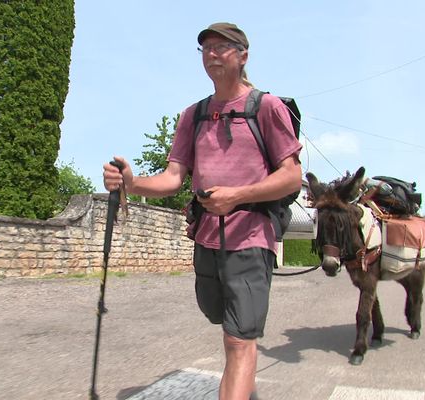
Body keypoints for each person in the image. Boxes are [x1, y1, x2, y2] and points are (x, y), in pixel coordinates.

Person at [103, 22, 302, 400]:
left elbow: (292, 176)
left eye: (221, 47)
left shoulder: (266, 107)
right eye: (206, 48)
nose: (211, 53)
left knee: (239, 341)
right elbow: (173, 177)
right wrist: (131, 182)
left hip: (250, 237)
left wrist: (237, 196)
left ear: (243, 55)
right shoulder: (192, 116)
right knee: (221, 321)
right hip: (207, 240)